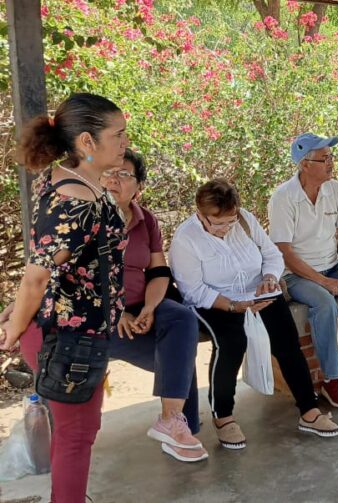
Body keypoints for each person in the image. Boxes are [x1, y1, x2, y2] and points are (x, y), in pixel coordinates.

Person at [0, 93, 129, 503]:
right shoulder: (77, 201)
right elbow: (36, 278)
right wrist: (13, 328)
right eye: (118, 135)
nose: (126, 142)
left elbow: (50, 260)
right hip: (68, 336)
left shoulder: (64, 179)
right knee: (78, 435)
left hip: (71, 330)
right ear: (87, 143)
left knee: (75, 430)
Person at [171, 180, 338, 449]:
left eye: (231, 221)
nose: (226, 229)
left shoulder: (246, 220)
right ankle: (223, 416)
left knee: (287, 342)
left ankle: (309, 411)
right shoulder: (186, 238)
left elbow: (272, 254)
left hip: (258, 293)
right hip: (214, 301)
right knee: (231, 343)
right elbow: (192, 290)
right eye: (217, 223)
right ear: (200, 214)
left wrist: (270, 278)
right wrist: (232, 306)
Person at [105, 149, 207, 462]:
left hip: (142, 302)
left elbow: (159, 271)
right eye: (110, 172)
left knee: (181, 320)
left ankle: (173, 422)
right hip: (101, 312)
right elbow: (74, 277)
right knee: (178, 355)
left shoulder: (144, 219)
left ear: (138, 186)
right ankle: (181, 426)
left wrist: (149, 308)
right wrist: (117, 310)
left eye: (124, 174)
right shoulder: (86, 216)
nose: (115, 179)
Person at [268, 133, 338, 409]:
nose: (331, 163)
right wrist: (323, 282)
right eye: (324, 158)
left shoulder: (337, 190)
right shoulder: (283, 197)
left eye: (331, 157)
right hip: (295, 273)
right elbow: (284, 251)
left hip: (333, 264)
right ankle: (332, 380)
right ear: (304, 164)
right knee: (324, 305)